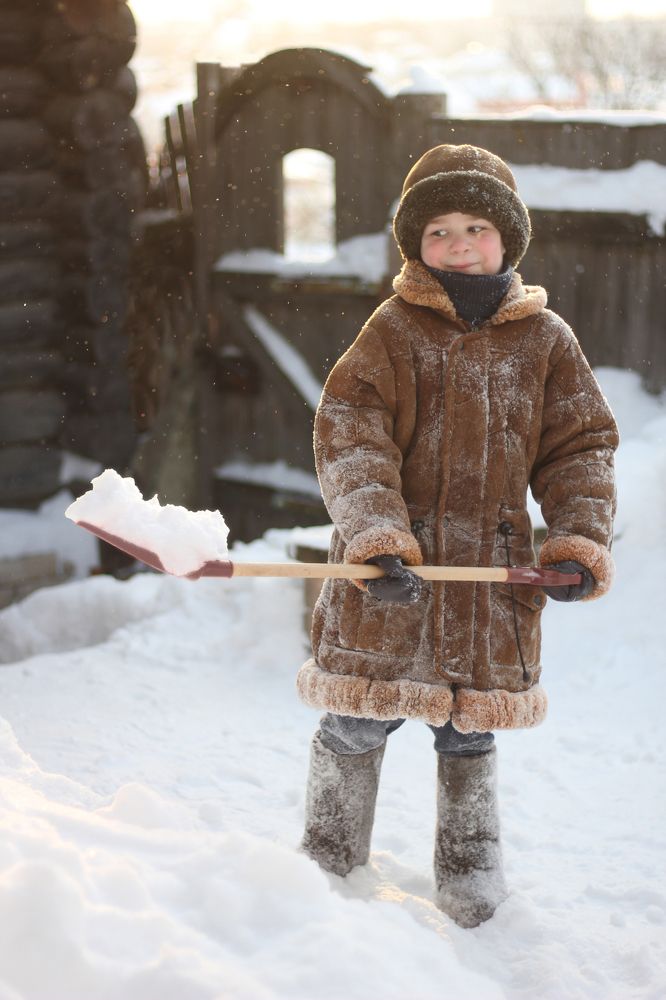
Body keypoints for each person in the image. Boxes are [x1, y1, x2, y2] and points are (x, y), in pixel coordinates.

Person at [296, 144, 619, 927]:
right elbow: (351, 433)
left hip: (489, 581)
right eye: (438, 231)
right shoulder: (392, 330)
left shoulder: (545, 340)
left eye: (476, 226)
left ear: (508, 239)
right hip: (388, 577)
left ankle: (470, 874)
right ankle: (328, 860)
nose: (459, 244)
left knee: (468, 734)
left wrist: (576, 544)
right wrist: (376, 536)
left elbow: (580, 448)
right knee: (356, 717)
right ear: (415, 246)